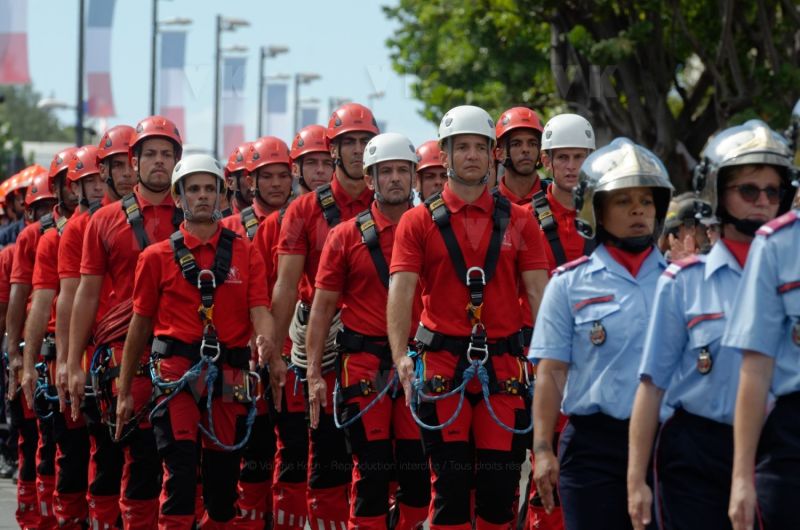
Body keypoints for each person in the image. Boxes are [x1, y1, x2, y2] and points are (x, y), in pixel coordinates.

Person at [627, 120, 795, 530]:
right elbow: (652, 386)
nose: (763, 201)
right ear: (716, 193)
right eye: (748, 190)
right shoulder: (682, 283)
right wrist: (635, 481)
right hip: (698, 453)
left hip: (778, 449)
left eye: (773, 191)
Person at [388, 104, 550, 530]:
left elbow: (539, 293)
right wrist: (400, 357)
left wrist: (553, 359)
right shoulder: (417, 222)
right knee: (451, 491)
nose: (473, 155)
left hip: (504, 369)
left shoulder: (521, 222)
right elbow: (401, 293)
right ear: (445, 155)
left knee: (499, 495)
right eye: (463, 147)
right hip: (441, 365)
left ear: (494, 154)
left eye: (481, 147)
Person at [113, 153, 281, 529]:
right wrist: (124, 391)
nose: (203, 196)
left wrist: (267, 339)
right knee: (180, 473)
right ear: (179, 196)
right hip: (177, 376)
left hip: (230, 375)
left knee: (222, 491)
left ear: (222, 194)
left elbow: (259, 308)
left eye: (210, 188)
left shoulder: (245, 251)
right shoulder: (155, 257)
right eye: (194, 189)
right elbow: (139, 327)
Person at [531, 138, 673, 530]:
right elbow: (552, 370)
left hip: (669, 447)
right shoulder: (568, 285)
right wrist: (543, 449)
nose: (638, 210)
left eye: (646, 201)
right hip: (594, 449)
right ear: (596, 209)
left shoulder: (680, 282)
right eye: (623, 200)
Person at [306, 133, 429, 530]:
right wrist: (312, 374)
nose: (395, 178)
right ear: (371, 179)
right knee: (371, 472)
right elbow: (322, 308)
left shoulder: (432, 229)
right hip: (362, 364)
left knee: (417, 479)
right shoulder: (344, 235)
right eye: (386, 171)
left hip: (420, 363)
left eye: (402, 171)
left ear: (414, 176)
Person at [67, 115, 184, 529]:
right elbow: (85, 294)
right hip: (120, 360)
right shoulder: (103, 220)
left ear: (177, 161)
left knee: (178, 462)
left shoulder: (196, 215)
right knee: (123, 455)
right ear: (133, 162)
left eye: (166, 154)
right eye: (149, 154)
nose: (158, 162)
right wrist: (70, 361)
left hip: (180, 356)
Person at [270, 103, 377, 530]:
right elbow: (284, 284)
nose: (355, 151)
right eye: (347, 143)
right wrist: (274, 354)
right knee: (325, 451)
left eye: (363, 142)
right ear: (333, 150)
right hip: (323, 347)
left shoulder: (394, 199)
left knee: (378, 458)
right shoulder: (304, 211)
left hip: (376, 347)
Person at [723, 145, 800, 527]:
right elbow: (755, 368)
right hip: (791, 437)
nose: (763, 201)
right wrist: (741, 476)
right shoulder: (778, 243)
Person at [58, 137, 127, 528]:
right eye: (117, 167)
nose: (127, 174)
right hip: (101, 359)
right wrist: (68, 363)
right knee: (102, 456)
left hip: (156, 358)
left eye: (128, 164)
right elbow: (70, 299)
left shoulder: (171, 217)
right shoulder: (82, 228)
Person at [5, 165, 60, 529]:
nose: (46, 213)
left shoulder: (78, 233)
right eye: (40, 207)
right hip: (33, 353)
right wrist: (13, 357)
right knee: (33, 441)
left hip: (67, 351)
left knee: (66, 446)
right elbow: (15, 301)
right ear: (29, 213)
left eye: (50, 205)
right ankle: (33, 516)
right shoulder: (23, 243)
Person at [495, 106, 546, 204]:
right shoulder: (488, 205)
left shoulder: (557, 197)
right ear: (500, 154)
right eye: (516, 144)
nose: (525, 149)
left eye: (532, 144)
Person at [98, 125, 137, 202]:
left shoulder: (154, 213)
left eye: (133, 165)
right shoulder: (96, 214)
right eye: (118, 165)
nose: (127, 173)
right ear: (102, 171)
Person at [224, 141, 255, 215]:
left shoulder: (280, 220)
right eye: (248, 175)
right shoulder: (220, 224)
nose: (254, 182)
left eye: (264, 176)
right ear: (230, 182)